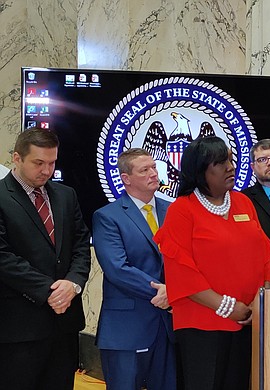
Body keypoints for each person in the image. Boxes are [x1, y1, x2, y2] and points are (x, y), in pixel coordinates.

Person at [154, 136, 270, 390]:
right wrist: (228, 307)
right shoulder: (182, 210)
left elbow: (265, 254)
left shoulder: (243, 202)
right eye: (220, 163)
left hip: (248, 320)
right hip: (202, 326)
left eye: (230, 160)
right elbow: (182, 272)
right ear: (200, 171)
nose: (230, 167)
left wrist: (259, 300)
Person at [0, 128, 91, 390]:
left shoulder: (66, 195)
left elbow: (81, 244)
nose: (46, 170)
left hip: (64, 324)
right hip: (19, 328)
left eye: (52, 163)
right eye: (38, 163)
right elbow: (3, 257)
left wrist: (73, 283)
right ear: (17, 158)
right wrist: (49, 290)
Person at [92, 148, 177, 390]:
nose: (154, 173)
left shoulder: (172, 212)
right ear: (126, 178)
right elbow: (117, 268)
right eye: (145, 170)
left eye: (154, 167)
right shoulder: (108, 216)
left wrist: (176, 290)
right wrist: (163, 292)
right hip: (126, 330)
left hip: (168, 328)